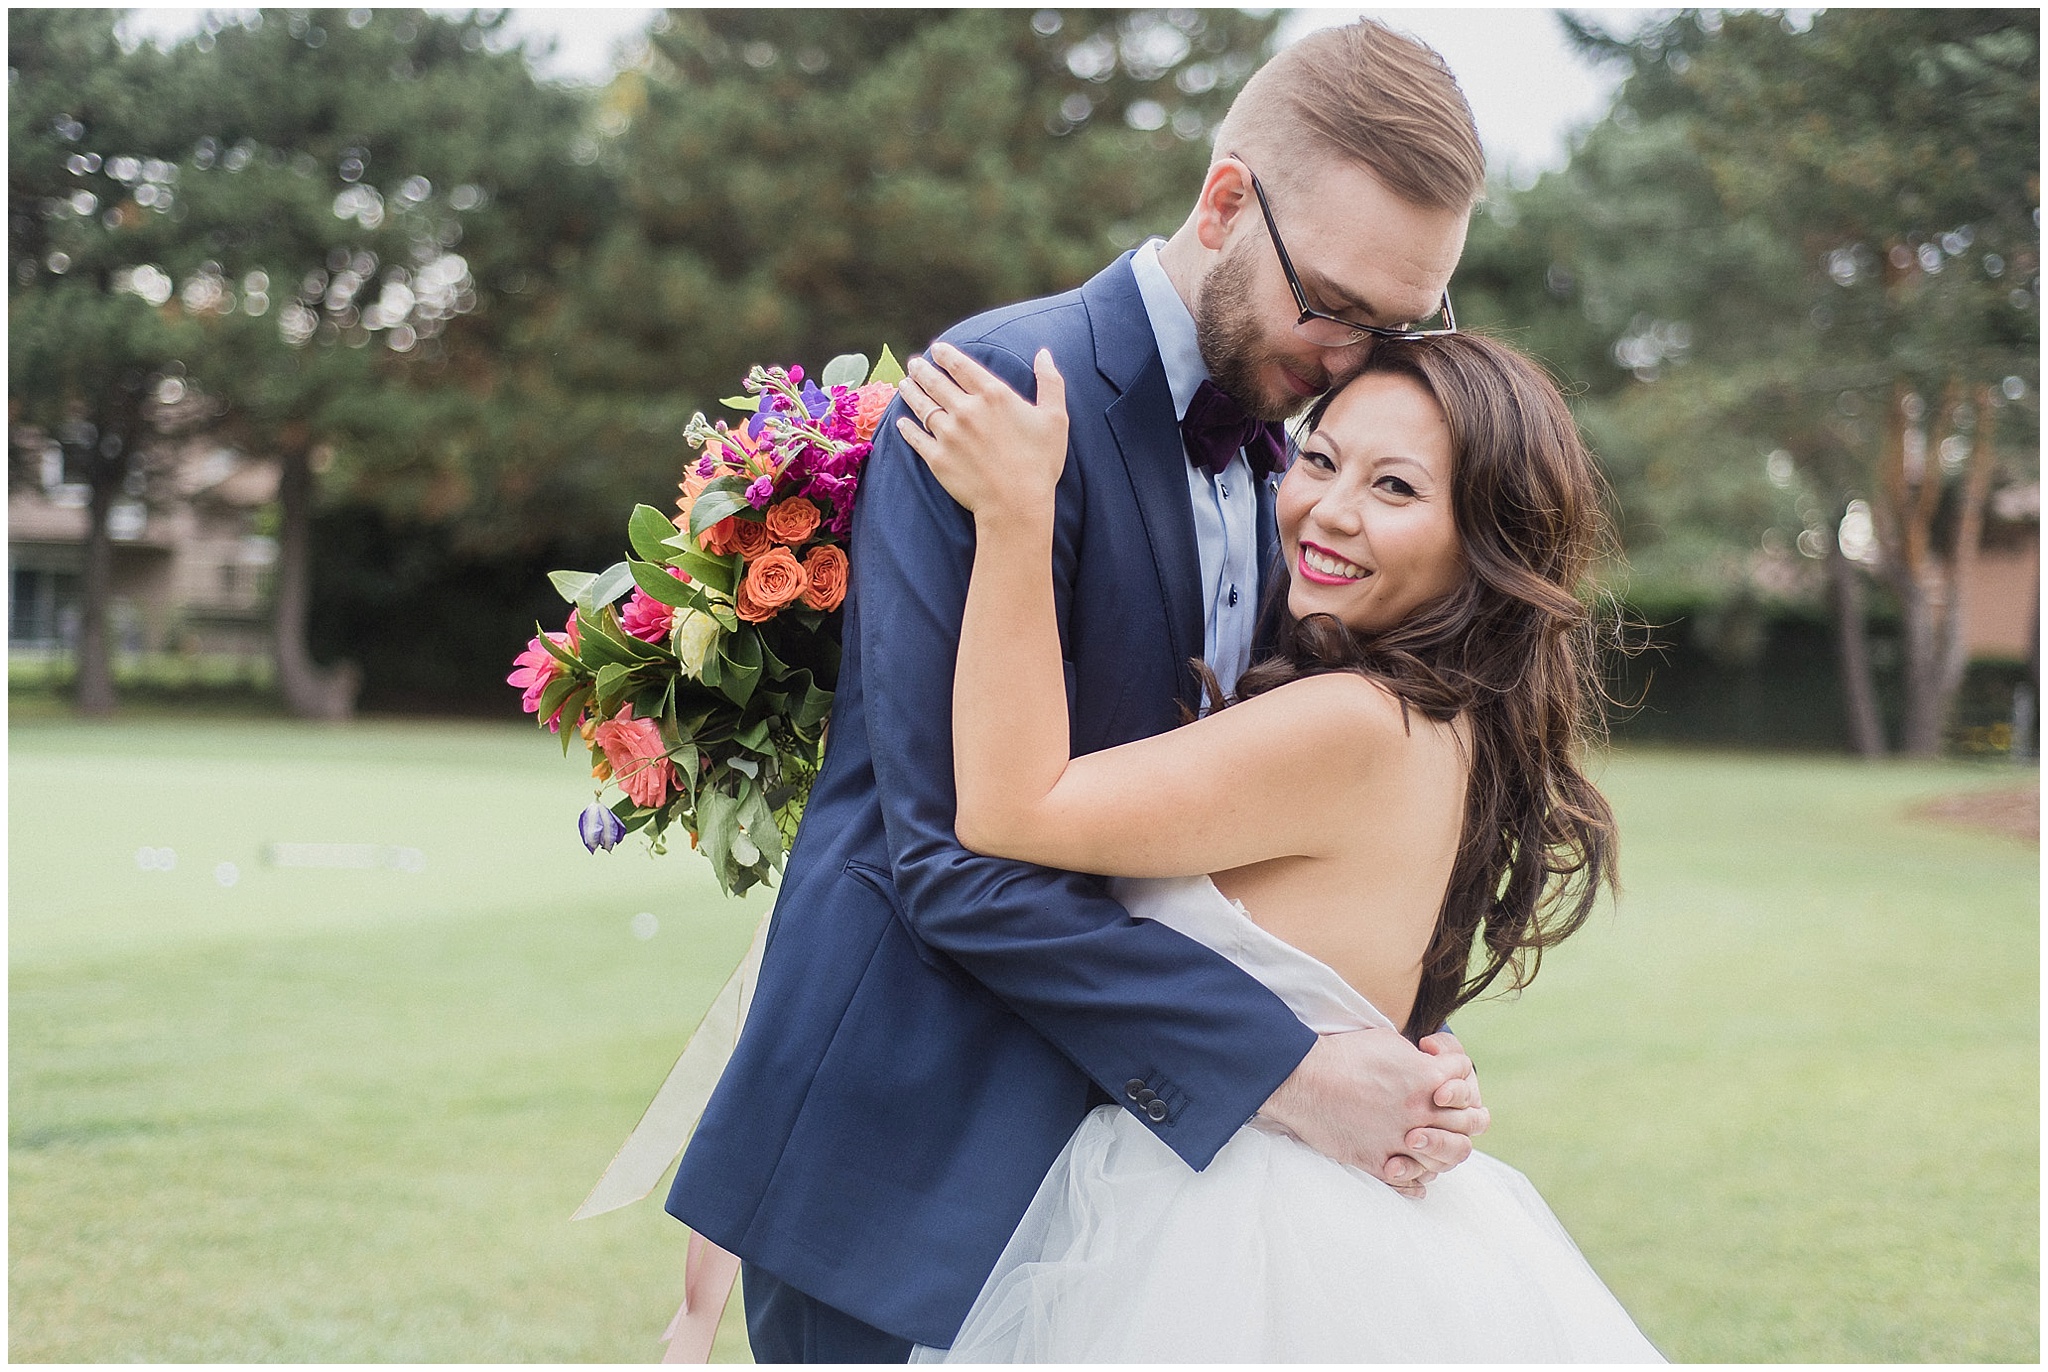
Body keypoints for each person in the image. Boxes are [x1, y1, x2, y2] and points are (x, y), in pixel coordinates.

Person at [667, 20, 1500, 1361]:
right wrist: (1291, 1071)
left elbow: (1249, 825)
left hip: (1134, 1185)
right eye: (1337, 305)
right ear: (1226, 200)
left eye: (1404, 323)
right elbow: (945, 857)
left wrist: (1392, 1047)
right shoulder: (1000, 391)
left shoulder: (1302, 465)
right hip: (904, 1158)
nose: (1359, 358)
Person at [892, 330, 1662, 1361]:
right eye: (1318, 458)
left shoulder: (1350, 723)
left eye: (1394, 487)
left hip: (1229, 1233)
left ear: (1481, 539)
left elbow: (1009, 809)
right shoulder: (1441, 721)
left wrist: (1016, 514)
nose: (1329, 510)